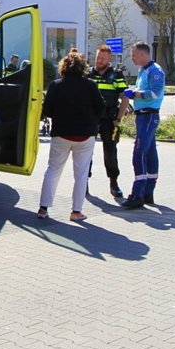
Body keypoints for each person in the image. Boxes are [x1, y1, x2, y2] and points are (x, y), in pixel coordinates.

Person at [37, 49, 107, 222]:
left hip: (61, 133)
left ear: (63, 67)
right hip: (85, 134)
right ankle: (76, 211)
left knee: (53, 170)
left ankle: (43, 208)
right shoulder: (90, 85)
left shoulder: (56, 85)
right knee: (81, 174)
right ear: (83, 67)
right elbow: (101, 108)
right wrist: (92, 121)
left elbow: (47, 110)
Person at [121, 42, 165, 209]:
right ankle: (148, 192)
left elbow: (155, 93)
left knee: (139, 153)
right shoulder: (144, 71)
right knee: (150, 153)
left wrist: (134, 94)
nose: (131, 58)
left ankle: (137, 194)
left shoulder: (155, 71)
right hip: (144, 116)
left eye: (133, 54)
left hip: (148, 115)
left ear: (142, 54)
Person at [86, 45, 130, 198]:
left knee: (110, 151)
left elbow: (125, 97)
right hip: (90, 119)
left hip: (108, 119)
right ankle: (83, 182)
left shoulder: (116, 75)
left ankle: (114, 183)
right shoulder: (88, 74)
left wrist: (118, 119)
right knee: (85, 152)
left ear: (109, 59)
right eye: (98, 57)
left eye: (102, 58)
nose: (99, 61)